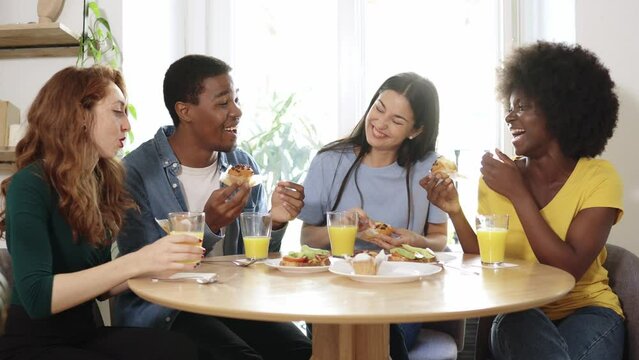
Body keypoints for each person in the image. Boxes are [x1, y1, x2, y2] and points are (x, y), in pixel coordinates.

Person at [423, 41, 625, 360]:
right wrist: (455, 212)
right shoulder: (497, 179)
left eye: (522, 107)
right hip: (520, 312)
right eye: (510, 106)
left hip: (587, 310)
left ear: (560, 110)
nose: (508, 117)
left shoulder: (599, 177)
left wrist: (518, 192)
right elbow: (484, 258)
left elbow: (567, 269)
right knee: (515, 323)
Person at [113, 54, 311, 360]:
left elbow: (251, 257)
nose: (237, 111)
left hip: (232, 302)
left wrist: (275, 221)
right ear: (185, 111)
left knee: (305, 352)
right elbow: (144, 268)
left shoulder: (242, 165)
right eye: (223, 103)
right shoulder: (136, 172)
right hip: (167, 312)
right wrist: (209, 227)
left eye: (236, 100)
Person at [0, 66, 199, 359]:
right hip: (32, 341)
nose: (127, 125)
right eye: (117, 112)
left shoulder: (100, 184)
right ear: (80, 116)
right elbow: (37, 297)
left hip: (83, 333)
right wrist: (136, 261)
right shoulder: (30, 185)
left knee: (181, 349)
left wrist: (158, 263)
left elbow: (102, 286)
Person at [299, 72, 456, 358]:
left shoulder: (431, 169)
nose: (380, 124)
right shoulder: (329, 160)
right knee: (340, 336)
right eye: (379, 109)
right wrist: (344, 229)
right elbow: (308, 236)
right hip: (335, 292)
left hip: (402, 297)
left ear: (416, 130)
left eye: (396, 121)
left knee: (381, 333)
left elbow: (439, 239)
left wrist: (415, 239)